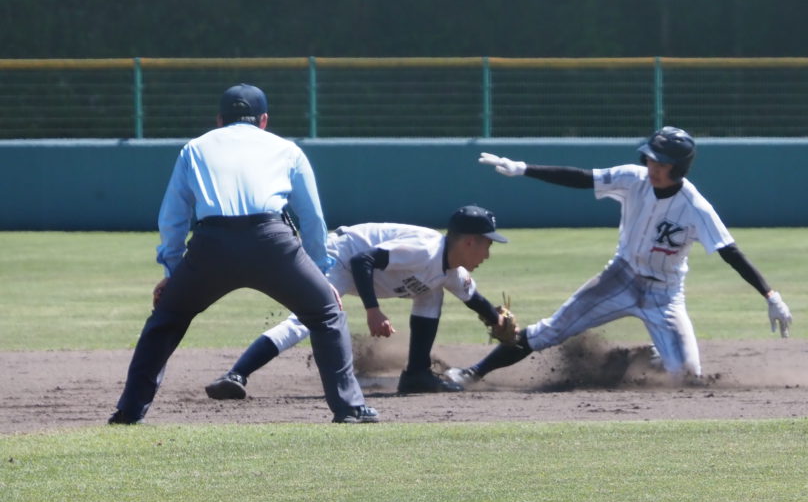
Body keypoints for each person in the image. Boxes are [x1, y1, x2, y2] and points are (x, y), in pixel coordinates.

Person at [108, 84, 378, 424]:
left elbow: (173, 217)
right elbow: (312, 219)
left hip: (212, 245)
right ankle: (349, 408)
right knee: (326, 313)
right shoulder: (286, 149)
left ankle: (129, 412)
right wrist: (322, 276)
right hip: (272, 243)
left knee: (165, 321)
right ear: (264, 120)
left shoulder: (195, 148)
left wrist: (172, 272)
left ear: (219, 120)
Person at [454, 126, 792, 386]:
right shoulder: (634, 179)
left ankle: (644, 357)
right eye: (651, 157)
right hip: (620, 277)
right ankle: (472, 373)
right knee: (549, 332)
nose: (652, 165)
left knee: (687, 376)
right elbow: (583, 179)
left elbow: (729, 252)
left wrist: (770, 295)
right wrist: (524, 169)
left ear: (679, 167)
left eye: (661, 161)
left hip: (665, 295)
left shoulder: (695, 208)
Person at [204, 205, 512, 398]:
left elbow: (475, 300)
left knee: (431, 292)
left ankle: (417, 374)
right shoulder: (426, 250)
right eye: (486, 245)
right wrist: (373, 311)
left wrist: (496, 321)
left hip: (367, 269)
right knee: (308, 320)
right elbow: (364, 260)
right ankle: (236, 375)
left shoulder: (451, 270)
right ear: (469, 241)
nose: (487, 254)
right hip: (339, 259)